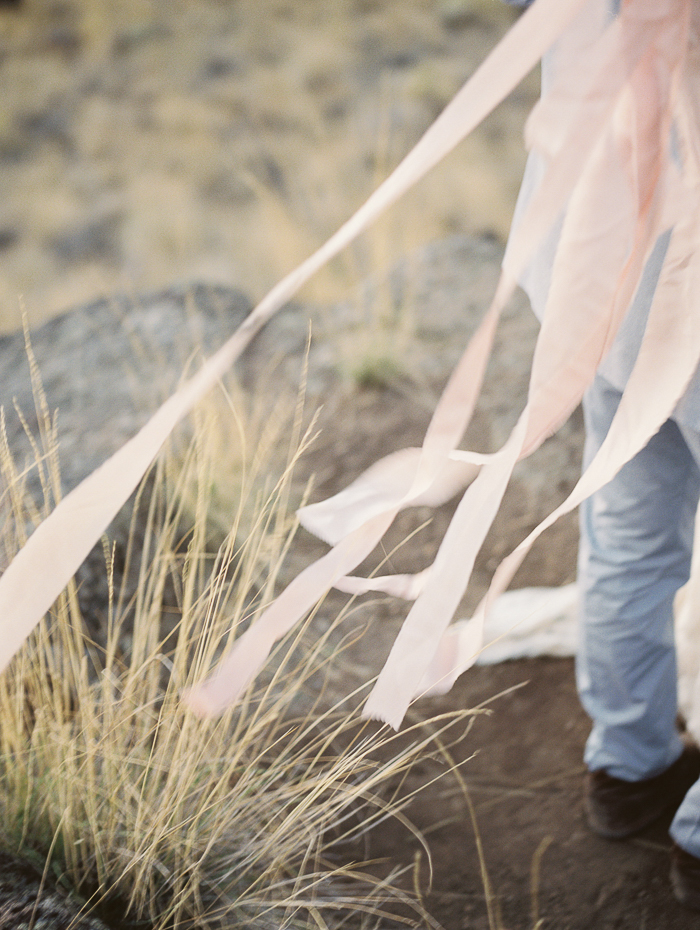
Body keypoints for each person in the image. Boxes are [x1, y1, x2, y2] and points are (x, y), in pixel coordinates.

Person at [504, 0, 700, 909]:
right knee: (626, 519)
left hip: (596, 273)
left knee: (627, 522)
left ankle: (628, 765)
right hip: (685, 288)